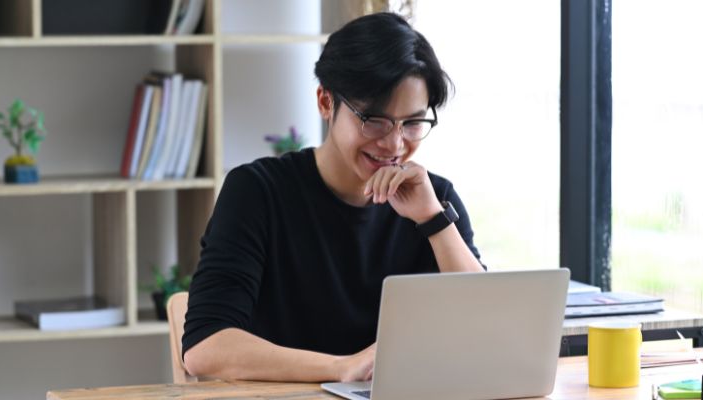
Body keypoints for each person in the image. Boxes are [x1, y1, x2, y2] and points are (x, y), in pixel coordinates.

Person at [182, 12, 485, 383]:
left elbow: (486, 332)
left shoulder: (434, 198)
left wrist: (434, 221)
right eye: (374, 119)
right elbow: (205, 346)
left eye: (412, 123)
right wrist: (341, 368)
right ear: (326, 102)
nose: (394, 143)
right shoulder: (258, 192)